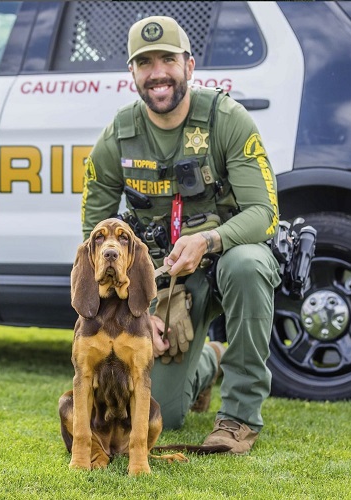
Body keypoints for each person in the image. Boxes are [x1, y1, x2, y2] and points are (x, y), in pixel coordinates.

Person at [81, 15, 281, 454]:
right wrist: (138, 312)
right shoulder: (118, 136)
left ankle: (239, 418)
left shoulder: (227, 120)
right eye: (144, 62)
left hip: (225, 262)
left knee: (248, 264)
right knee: (161, 415)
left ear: (189, 65)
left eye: (168, 59)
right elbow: (91, 237)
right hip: (163, 280)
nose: (157, 73)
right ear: (132, 73)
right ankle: (210, 360)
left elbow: (265, 214)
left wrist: (209, 241)